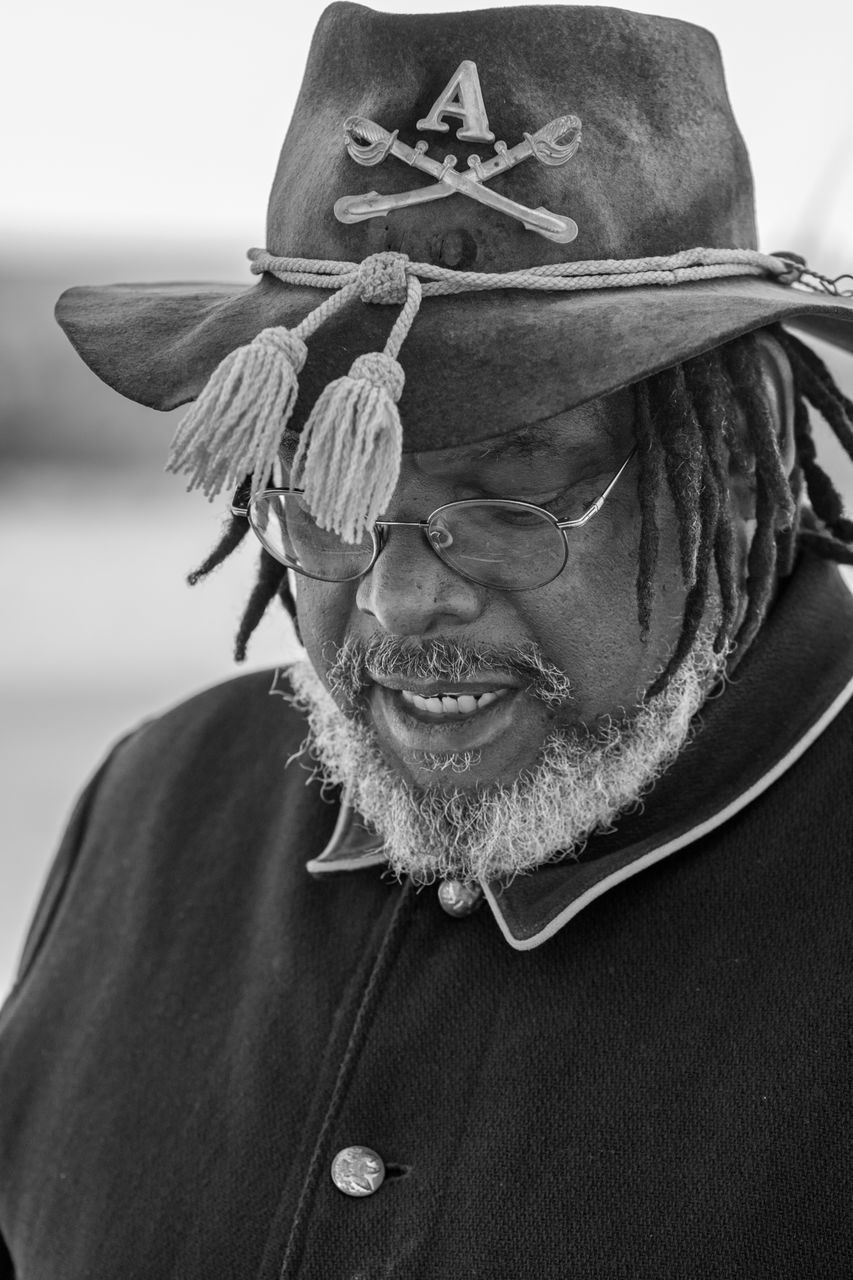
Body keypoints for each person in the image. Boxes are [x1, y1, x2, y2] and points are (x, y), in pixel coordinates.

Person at [1, 3, 852, 1276]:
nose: (400, 600)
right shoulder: (160, 801)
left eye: (513, 497)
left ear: (726, 485)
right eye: (337, 488)